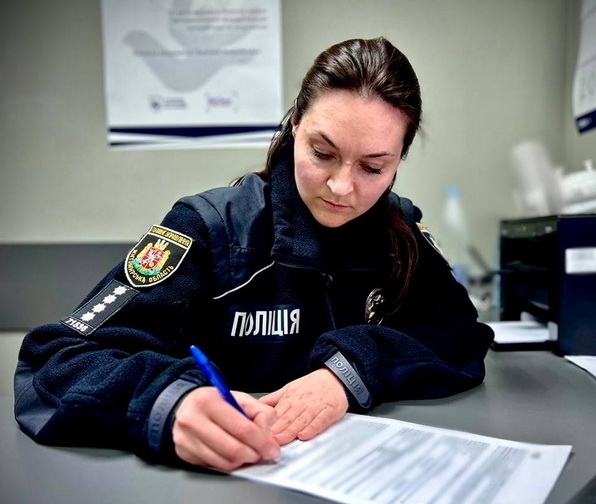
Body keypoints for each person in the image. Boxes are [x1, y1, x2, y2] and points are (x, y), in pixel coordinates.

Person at [14, 37, 494, 472]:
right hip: (215, 498)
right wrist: (170, 402)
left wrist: (346, 371)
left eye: (372, 167)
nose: (341, 187)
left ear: (398, 160)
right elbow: (56, 358)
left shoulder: (399, 230)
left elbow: (460, 333)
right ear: (294, 125)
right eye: (322, 153)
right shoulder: (210, 229)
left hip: (357, 481)